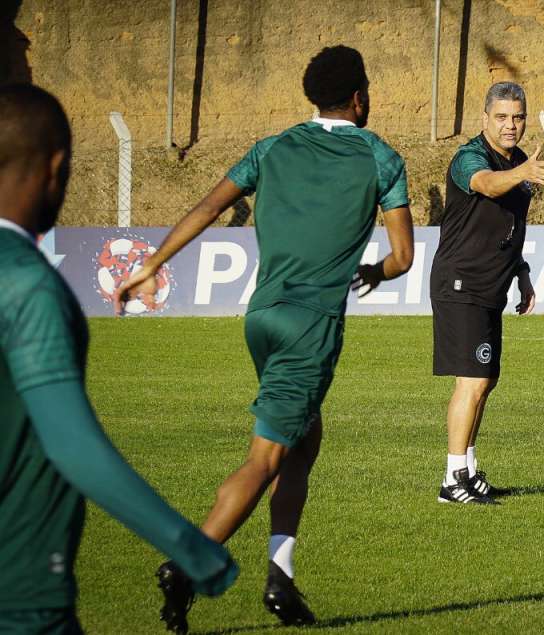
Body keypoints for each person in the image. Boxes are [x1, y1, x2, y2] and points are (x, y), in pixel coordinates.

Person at [116, 45, 414, 631]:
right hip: (311, 326)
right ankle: (187, 562)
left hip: (263, 318)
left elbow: (206, 207)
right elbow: (403, 257)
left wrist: (152, 264)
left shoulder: (271, 148)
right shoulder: (381, 159)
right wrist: (374, 272)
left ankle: (281, 578)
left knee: (304, 438)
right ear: (359, 98)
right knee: (266, 457)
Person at [0, 84, 238, 634]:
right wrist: (191, 549)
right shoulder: (26, 286)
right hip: (20, 592)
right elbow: (68, 441)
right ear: (56, 169)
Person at [429, 82, 544, 504]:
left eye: (517, 116)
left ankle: (470, 470)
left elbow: (510, 225)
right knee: (473, 381)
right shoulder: (470, 157)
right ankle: (451, 479)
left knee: (487, 380)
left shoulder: (519, 163)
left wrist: (523, 273)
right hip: (461, 282)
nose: (510, 125)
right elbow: (485, 185)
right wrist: (522, 174)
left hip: (491, 285)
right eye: (501, 117)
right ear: (484, 119)